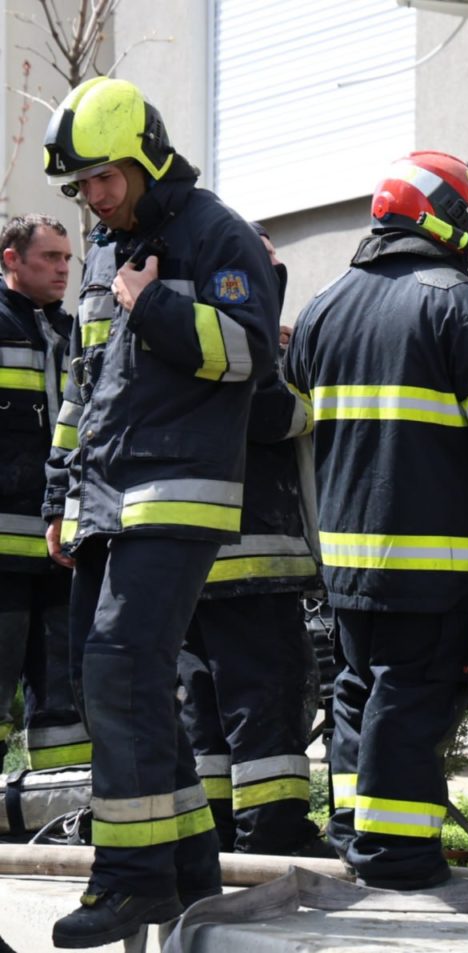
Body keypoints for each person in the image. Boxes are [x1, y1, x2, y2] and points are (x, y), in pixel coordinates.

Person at [41, 77, 278, 947]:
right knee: (115, 678)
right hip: (103, 497)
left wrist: (158, 306)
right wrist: (61, 493)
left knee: (120, 667)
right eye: (82, 186)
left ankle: (130, 878)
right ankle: (186, 870)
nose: (94, 197)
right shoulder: (106, 247)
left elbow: (250, 352)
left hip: (177, 491)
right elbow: (84, 384)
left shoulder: (215, 232)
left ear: (145, 158)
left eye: (104, 177)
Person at [285, 150, 468, 891]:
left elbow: (298, 425)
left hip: (345, 559)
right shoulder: (459, 304)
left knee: (356, 690)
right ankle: (397, 856)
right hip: (432, 558)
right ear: (448, 221)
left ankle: (354, 833)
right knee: (411, 693)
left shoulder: (322, 307)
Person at [177, 222, 324, 857]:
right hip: (253, 559)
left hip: (190, 558)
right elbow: (275, 415)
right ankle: (274, 836)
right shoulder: (242, 336)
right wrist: (308, 391)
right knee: (266, 699)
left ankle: (214, 834)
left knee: (205, 706)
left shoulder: (180, 325)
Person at [0, 215, 90, 774]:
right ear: (11, 259)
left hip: (62, 546)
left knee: (63, 698)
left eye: (67, 259)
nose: (63, 270)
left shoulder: (74, 331)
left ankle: (58, 804)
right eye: (50, 257)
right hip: (3, 554)